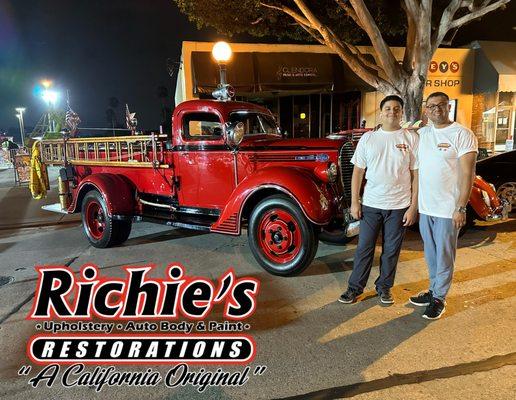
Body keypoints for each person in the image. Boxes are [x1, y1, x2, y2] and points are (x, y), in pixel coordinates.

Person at [339, 95, 419, 305]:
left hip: (399, 206)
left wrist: (413, 206)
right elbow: (358, 172)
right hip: (371, 205)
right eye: (388, 108)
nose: (392, 112)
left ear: (401, 113)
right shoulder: (368, 139)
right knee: (364, 249)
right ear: (381, 112)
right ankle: (354, 288)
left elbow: (416, 174)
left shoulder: (411, 139)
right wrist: (355, 202)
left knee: (391, 251)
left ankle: (384, 288)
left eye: (396, 109)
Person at [409, 92, 477, 320]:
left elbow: (467, 174)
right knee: (431, 254)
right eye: (431, 106)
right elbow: (405, 131)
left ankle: (439, 298)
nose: (436, 109)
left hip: (448, 209)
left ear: (448, 107)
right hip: (426, 207)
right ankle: (433, 290)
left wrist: (461, 207)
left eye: (441, 105)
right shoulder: (423, 133)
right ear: (426, 110)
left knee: (445, 256)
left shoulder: (462, 134)